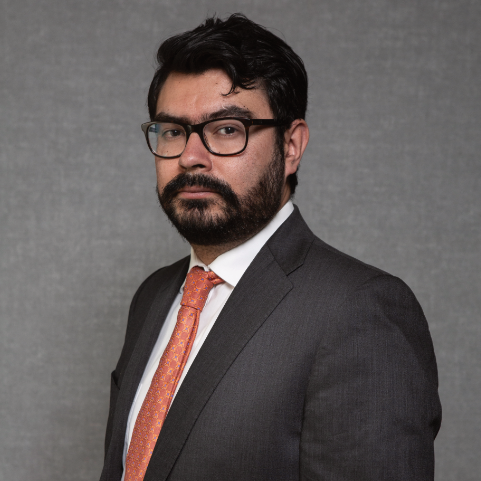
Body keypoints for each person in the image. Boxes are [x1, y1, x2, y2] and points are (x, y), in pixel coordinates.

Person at [100, 13, 441, 481]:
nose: (190, 157)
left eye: (226, 129)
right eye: (173, 131)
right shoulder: (154, 296)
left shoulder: (359, 310)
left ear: (291, 146)